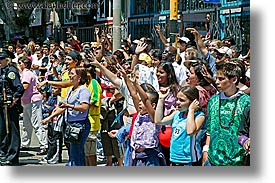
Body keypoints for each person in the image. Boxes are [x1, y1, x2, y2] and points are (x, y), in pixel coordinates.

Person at [202, 62, 250, 166]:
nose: (217, 82)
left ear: (234, 79)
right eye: (216, 78)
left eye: (221, 79)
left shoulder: (246, 102)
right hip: (212, 160)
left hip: (237, 162)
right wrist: (205, 150)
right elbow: (209, 129)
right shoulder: (213, 100)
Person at [42, 66, 91, 166]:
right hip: (71, 124)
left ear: (79, 77)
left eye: (72, 74)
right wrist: (49, 118)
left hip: (80, 124)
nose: (70, 75)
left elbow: (84, 107)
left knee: (77, 151)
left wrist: (70, 106)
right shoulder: (71, 90)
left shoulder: (83, 90)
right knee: (73, 152)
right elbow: (63, 106)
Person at [155, 86, 205, 166]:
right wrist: (161, 100)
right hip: (174, 158)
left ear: (193, 102)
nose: (177, 102)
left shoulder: (199, 116)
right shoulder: (177, 114)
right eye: (177, 99)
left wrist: (191, 110)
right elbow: (158, 121)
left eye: (181, 100)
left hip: (189, 160)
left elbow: (190, 131)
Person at [18, 56, 48, 156]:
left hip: (33, 100)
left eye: (20, 63)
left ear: (25, 64)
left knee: (37, 123)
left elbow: (25, 86)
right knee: (27, 124)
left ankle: (44, 145)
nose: (19, 64)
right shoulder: (24, 73)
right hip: (27, 101)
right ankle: (25, 143)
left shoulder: (27, 73)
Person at [0, 48, 24, 166]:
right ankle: (5, 153)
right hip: (2, 105)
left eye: (1, 59)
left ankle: (13, 157)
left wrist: (13, 100)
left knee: (13, 131)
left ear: (7, 60)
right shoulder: (2, 70)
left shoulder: (11, 71)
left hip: (10, 106)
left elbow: (19, 88)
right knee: (3, 130)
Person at [40, 86, 63, 164]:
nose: (53, 90)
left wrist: (50, 108)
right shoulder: (51, 97)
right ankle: (50, 155)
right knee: (50, 139)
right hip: (51, 120)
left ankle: (56, 157)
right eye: (52, 88)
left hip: (57, 122)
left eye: (55, 88)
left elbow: (56, 108)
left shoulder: (60, 98)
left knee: (56, 139)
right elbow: (45, 107)